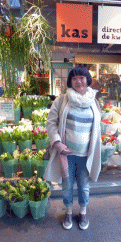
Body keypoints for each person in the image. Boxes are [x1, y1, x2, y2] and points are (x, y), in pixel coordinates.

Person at [44, 66, 101, 230]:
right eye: (74, 78)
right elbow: (51, 122)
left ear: (87, 80)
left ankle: (82, 212)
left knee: (84, 185)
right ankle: (68, 212)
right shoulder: (62, 100)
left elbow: (97, 126)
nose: (78, 81)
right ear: (70, 82)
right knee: (67, 185)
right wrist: (57, 142)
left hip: (86, 154)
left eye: (81, 78)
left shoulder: (93, 101)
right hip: (66, 154)